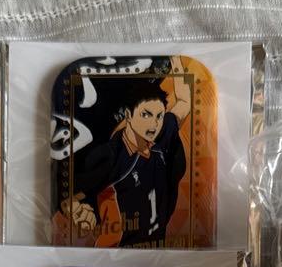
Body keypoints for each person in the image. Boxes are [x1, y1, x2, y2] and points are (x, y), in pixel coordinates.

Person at [60, 56, 191, 247]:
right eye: (145, 115)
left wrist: (176, 58)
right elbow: (68, 194)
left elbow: (184, 102)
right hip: (114, 256)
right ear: (128, 115)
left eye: (159, 116)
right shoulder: (109, 156)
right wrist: (78, 212)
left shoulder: (162, 135)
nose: (154, 124)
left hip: (157, 255)